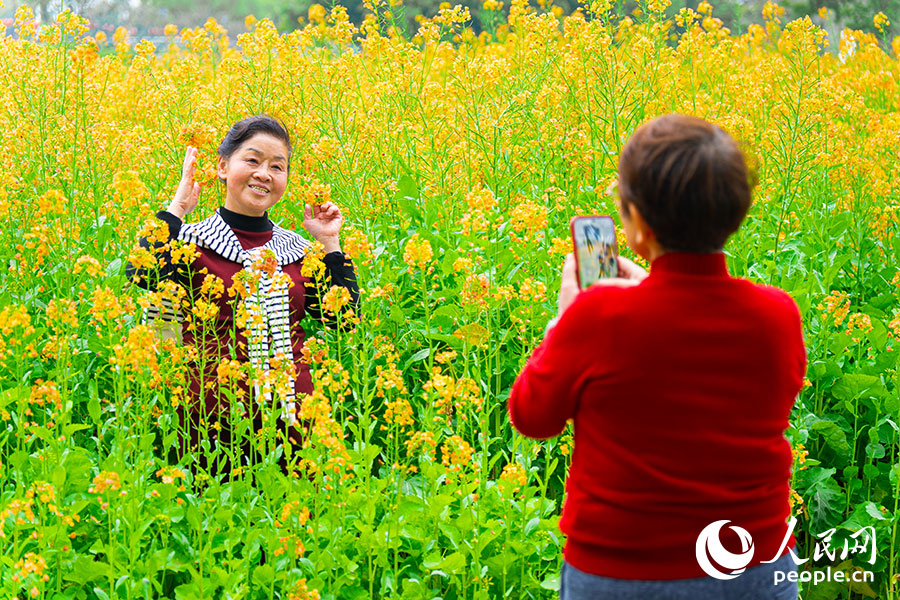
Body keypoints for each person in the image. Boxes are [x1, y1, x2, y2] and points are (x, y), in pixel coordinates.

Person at [507, 114, 806, 599]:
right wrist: (648, 299)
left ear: (637, 225)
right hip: (752, 568)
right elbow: (700, 357)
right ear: (735, 215)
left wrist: (566, 321)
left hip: (619, 573)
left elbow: (532, 417)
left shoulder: (599, 316)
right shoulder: (777, 315)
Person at [126, 114, 359, 475]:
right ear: (222, 166)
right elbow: (140, 274)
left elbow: (344, 320)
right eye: (252, 160)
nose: (264, 174)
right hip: (207, 429)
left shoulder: (297, 250)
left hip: (293, 424)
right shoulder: (189, 241)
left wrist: (330, 243)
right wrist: (178, 208)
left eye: (277, 167)